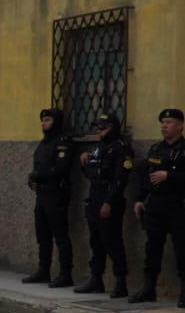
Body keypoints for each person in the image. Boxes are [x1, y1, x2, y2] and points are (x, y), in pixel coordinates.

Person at [129, 108, 185, 307]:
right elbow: (147, 177)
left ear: (180, 125)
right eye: (162, 122)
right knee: (152, 248)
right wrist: (139, 199)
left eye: (169, 122)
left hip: (178, 205)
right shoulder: (155, 149)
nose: (164, 126)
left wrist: (169, 176)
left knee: (183, 249)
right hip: (156, 205)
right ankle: (148, 288)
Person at [75, 110, 134, 297]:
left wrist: (109, 202)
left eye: (103, 128)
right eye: (98, 129)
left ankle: (121, 281)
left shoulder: (121, 148)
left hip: (110, 199)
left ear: (112, 128)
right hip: (94, 196)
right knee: (96, 242)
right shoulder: (99, 147)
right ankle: (96, 278)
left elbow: (120, 180)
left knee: (112, 241)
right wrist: (84, 162)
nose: (100, 132)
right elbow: (92, 175)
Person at [22, 107, 76, 288]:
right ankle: (43, 270)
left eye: (48, 120)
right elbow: (37, 167)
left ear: (56, 122)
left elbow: (60, 169)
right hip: (42, 194)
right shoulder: (44, 143)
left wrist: (40, 176)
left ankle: (65, 274)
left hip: (57, 193)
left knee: (60, 236)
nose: (44, 123)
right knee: (42, 234)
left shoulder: (63, 142)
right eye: (43, 120)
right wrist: (32, 178)